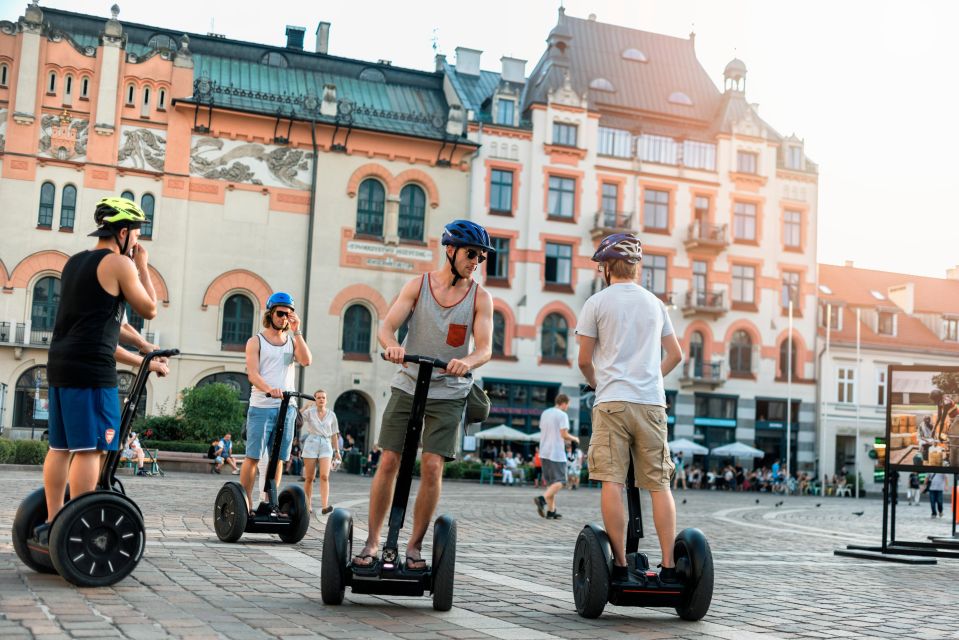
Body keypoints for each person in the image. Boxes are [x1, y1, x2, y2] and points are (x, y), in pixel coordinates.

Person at [353, 219, 494, 570]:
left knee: (432, 466)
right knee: (389, 460)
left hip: (449, 390)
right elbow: (387, 327)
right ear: (450, 250)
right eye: (471, 253)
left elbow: (486, 348)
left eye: (481, 256)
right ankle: (372, 543)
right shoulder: (419, 286)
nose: (476, 261)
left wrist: (467, 360)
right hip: (409, 383)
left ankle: (414, 547)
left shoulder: (481, 298)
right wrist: (391, 347)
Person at [34, 197, 163, 546]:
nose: (137, 242)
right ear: (122, 233)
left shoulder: (76, 263)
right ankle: (77, 524)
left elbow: (108, 323)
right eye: (136, 234)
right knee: (93, 448)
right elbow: (149, 309)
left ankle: (53, 522)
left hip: (60, 363)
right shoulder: (119, 263)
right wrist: (143, 266)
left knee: (61, 447)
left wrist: (145, 352)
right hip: (91, 371)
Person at [576, 232, 683, 583]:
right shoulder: (655, 304)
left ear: (606, 268)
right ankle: (669, 567)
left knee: (612, 482)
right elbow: (676, 355)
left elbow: (583, 360)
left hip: (612, 402)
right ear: (637, 267)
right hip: (651, 403)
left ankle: (620, 566)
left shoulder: (596, 303)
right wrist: (652, 378)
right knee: (659, 484)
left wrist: (598, 383)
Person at [239, 292, 312, 510]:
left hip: (287, 408)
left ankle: (269, 502)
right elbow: (252, 374)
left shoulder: (291, 342)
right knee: (252, 457)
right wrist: (269, 389)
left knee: (278, 458)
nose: (284, 318)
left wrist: (297, 330)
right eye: (281, 313)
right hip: (262, 406)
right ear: (270, 314)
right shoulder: (256, 341)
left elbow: (306, 361)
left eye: (289, 314)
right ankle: (245, 502)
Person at [534, 394, 579, 519]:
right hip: (556, 453)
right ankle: (542, 499)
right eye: (568, 404)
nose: (568, 407)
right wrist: (575, 438)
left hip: (544, 452)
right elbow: (564, 434)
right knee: (560, 482)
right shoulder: (562, 415)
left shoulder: (545, 413)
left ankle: (551, 511)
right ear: (563, 403)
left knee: (551, 484)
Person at [300, 389, 341, 515]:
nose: (321, 399)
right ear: (315, 399)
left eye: (323, 397)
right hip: (311, 443)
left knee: (324, 476)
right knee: (309, 477)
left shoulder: (332, 415)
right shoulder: (309, 412)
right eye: (318, 397)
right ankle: (308, 505)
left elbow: (334, 434)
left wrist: (337, 451)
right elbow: (297, 418)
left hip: (326, 444)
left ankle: (324, 506)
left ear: (326, 400)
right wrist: (306, 406)